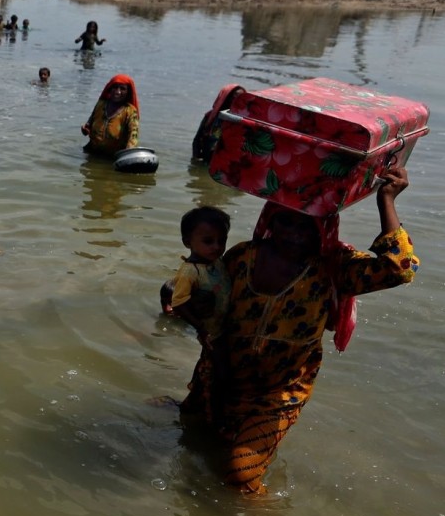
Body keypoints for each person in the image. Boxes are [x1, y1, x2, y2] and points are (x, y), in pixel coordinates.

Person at [179, 166, 417, 495]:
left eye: (306, 225)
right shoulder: (242, 256)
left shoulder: (334, 267)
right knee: (188, 434)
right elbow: (202, 292)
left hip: (277, 393)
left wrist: (386, 200)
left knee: (239, 476)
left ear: (323, 227)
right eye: (285, 221)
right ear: (270, 221)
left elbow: (398, 269)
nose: (293, 233)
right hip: (221, 376)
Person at [159, 206, 231, 341]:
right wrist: (200, 328)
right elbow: (179, 303)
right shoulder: (189, 272)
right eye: (208, 241)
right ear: (187, 242)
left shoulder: (216, 262)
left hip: (224, 324)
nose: (217, 246)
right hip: (210, 331)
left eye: (222, 241)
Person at [81, 73, 140, 155]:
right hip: (92, 153)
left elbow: (133, 137)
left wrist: (127, 155)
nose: (118, 92)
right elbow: (89, 122)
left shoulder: (130, 111)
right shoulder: (101, 104)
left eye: (122, 89)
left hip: (114, 157)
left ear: (128, 92)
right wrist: (85, 129)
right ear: (110, 88)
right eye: (115, 87)